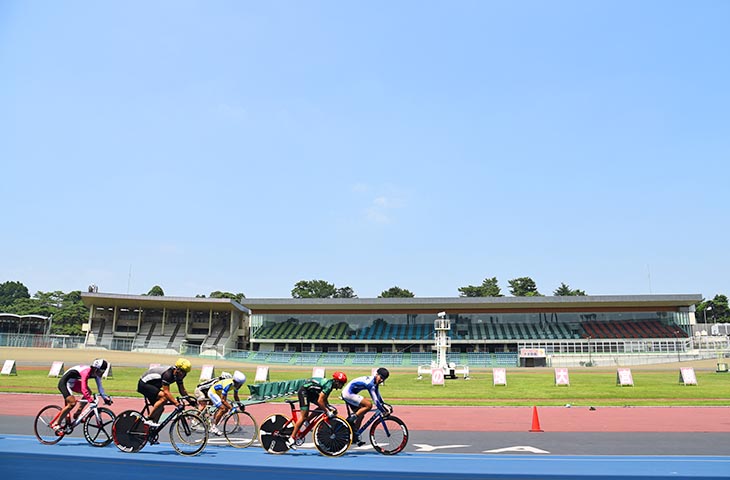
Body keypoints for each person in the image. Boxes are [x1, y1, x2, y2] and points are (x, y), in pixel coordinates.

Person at [286, 371, 347, 450]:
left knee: (323, 407)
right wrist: (327, 411)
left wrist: (329, 408)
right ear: (336, 381)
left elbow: (324, 401)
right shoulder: (328, 386)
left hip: (311, 392)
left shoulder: (330, 385)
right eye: (341, 383)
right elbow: (320, 401)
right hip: (304, 391)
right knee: (304, 416)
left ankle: (307, 420)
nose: (342, 385)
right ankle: (292, 438)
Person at [51, 358, 112, 436]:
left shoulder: (96, 374)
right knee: (72, 403)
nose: (101, 373)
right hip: (65, 383)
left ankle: (78, 413)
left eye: (103, 371)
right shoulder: (86, 372)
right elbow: (83, 388)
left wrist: (105, 398)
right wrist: (90, 400)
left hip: (74, 382)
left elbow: (100, 387)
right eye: (101, 371)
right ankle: (56, 424)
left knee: (89, 392)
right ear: (95, 369)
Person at [137, 358, 193, 427]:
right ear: (177, 369)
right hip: (144, 384)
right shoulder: (168, 374)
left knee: (160, 408)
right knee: (164, 397)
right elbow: (166, 392)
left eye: (186, 373)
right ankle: (148, 419)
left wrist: (190, 401)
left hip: (153, 385)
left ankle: (151, 429)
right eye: (183, 372)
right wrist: (177, 404)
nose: (184, 375)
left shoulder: (177, 375)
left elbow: (182, 390)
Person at [341, 367, 389, 444]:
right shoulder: (370, 384)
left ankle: (354, 435)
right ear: (376, 374)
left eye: (384, 379)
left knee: (361, 415)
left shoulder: (375, 383)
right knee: (368, 405)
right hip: (348, 393)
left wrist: (385, 405)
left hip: (350, 394)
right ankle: (351, 419)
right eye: (381, 377)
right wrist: (383, 410)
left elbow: (379, 397)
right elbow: (376, 401)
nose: (382, 380)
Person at [207, 370, 247, 436]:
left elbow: (235, 396)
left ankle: (214, 420)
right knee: (223, 409)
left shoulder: (236, 385)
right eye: (240, 384)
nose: (240, 386)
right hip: (213, 392)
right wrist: (232, 408)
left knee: (225, 408)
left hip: (218, 393)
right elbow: (223, 400)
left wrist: (240, 404)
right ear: (236, 382)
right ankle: (213, 427)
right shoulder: (228, 385)